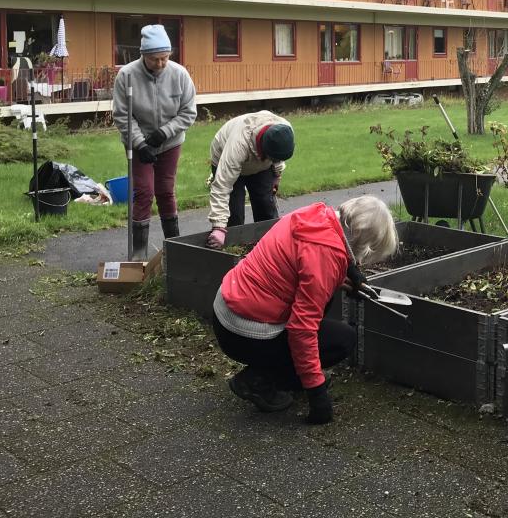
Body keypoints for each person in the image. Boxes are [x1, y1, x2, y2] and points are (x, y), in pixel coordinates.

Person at [211, 196, 398, 422]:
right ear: (364, 243)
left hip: (227, 311)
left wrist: (347, 273)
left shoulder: (316, 215)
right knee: (342, 340)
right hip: (244, 332)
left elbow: (304, 266)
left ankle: (278, 370)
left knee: (323, 307)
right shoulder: (325, 257)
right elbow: (301, 329)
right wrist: (316, 392)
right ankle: (258, 381)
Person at [111, 24, 197, 259]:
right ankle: (138, 255)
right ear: (143, 55)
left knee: (165, 191)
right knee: (144, 192)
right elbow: (122, 115)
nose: (160, 64)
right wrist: (140, 143)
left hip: (169, 142)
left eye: (165, 58)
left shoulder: (179, 74)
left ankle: (175, 248)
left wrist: (164, 133)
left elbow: (189, 112)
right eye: (154, 59)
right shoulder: (127, 75)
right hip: (138, 142)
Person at [206, 111, 295, 248]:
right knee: (234, 214)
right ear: (265, 151)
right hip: (226, 156)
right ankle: (232, 253)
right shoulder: (238, 145)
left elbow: (278, 158)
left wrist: (277, 175)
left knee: (265, 205)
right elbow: (222, 186)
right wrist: (219, 227)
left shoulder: (284, 129)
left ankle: (269, 249)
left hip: (260, 161)